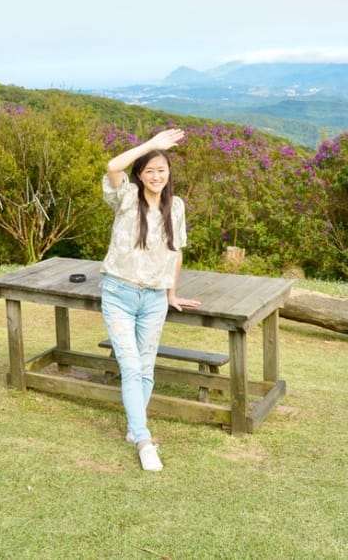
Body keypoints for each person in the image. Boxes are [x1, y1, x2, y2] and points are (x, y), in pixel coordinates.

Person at [100, 127, 201, 471]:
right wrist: (151, 145)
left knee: (145, 369)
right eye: (149, 170)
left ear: (169, 174)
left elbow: (176, 252)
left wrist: (171, 293)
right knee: (130, 367)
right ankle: (143, 440)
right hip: (119, 294)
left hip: (155, 299)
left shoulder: (177, 207)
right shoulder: (126, 197)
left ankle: (134, 429)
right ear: (140, 176)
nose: (156, 176)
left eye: (162, 170)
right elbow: (113, 165)